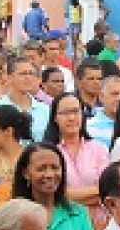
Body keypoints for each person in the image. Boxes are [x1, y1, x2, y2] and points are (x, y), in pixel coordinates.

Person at [43, 92, 109, 223]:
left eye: (76, 111)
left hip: (99, 225)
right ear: (55, 117)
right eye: (65, 113)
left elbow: (108, 191)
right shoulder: (48, 153)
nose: (72, 117)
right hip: (63, 223)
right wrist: (95, 193)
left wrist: (68, 196)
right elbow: (53, 195)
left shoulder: (99, 149)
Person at [0, 56, 50, 142]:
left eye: (31, 73)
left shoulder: (45, 110)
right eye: (23, 73)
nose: (28, 77)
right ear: (9, 77)